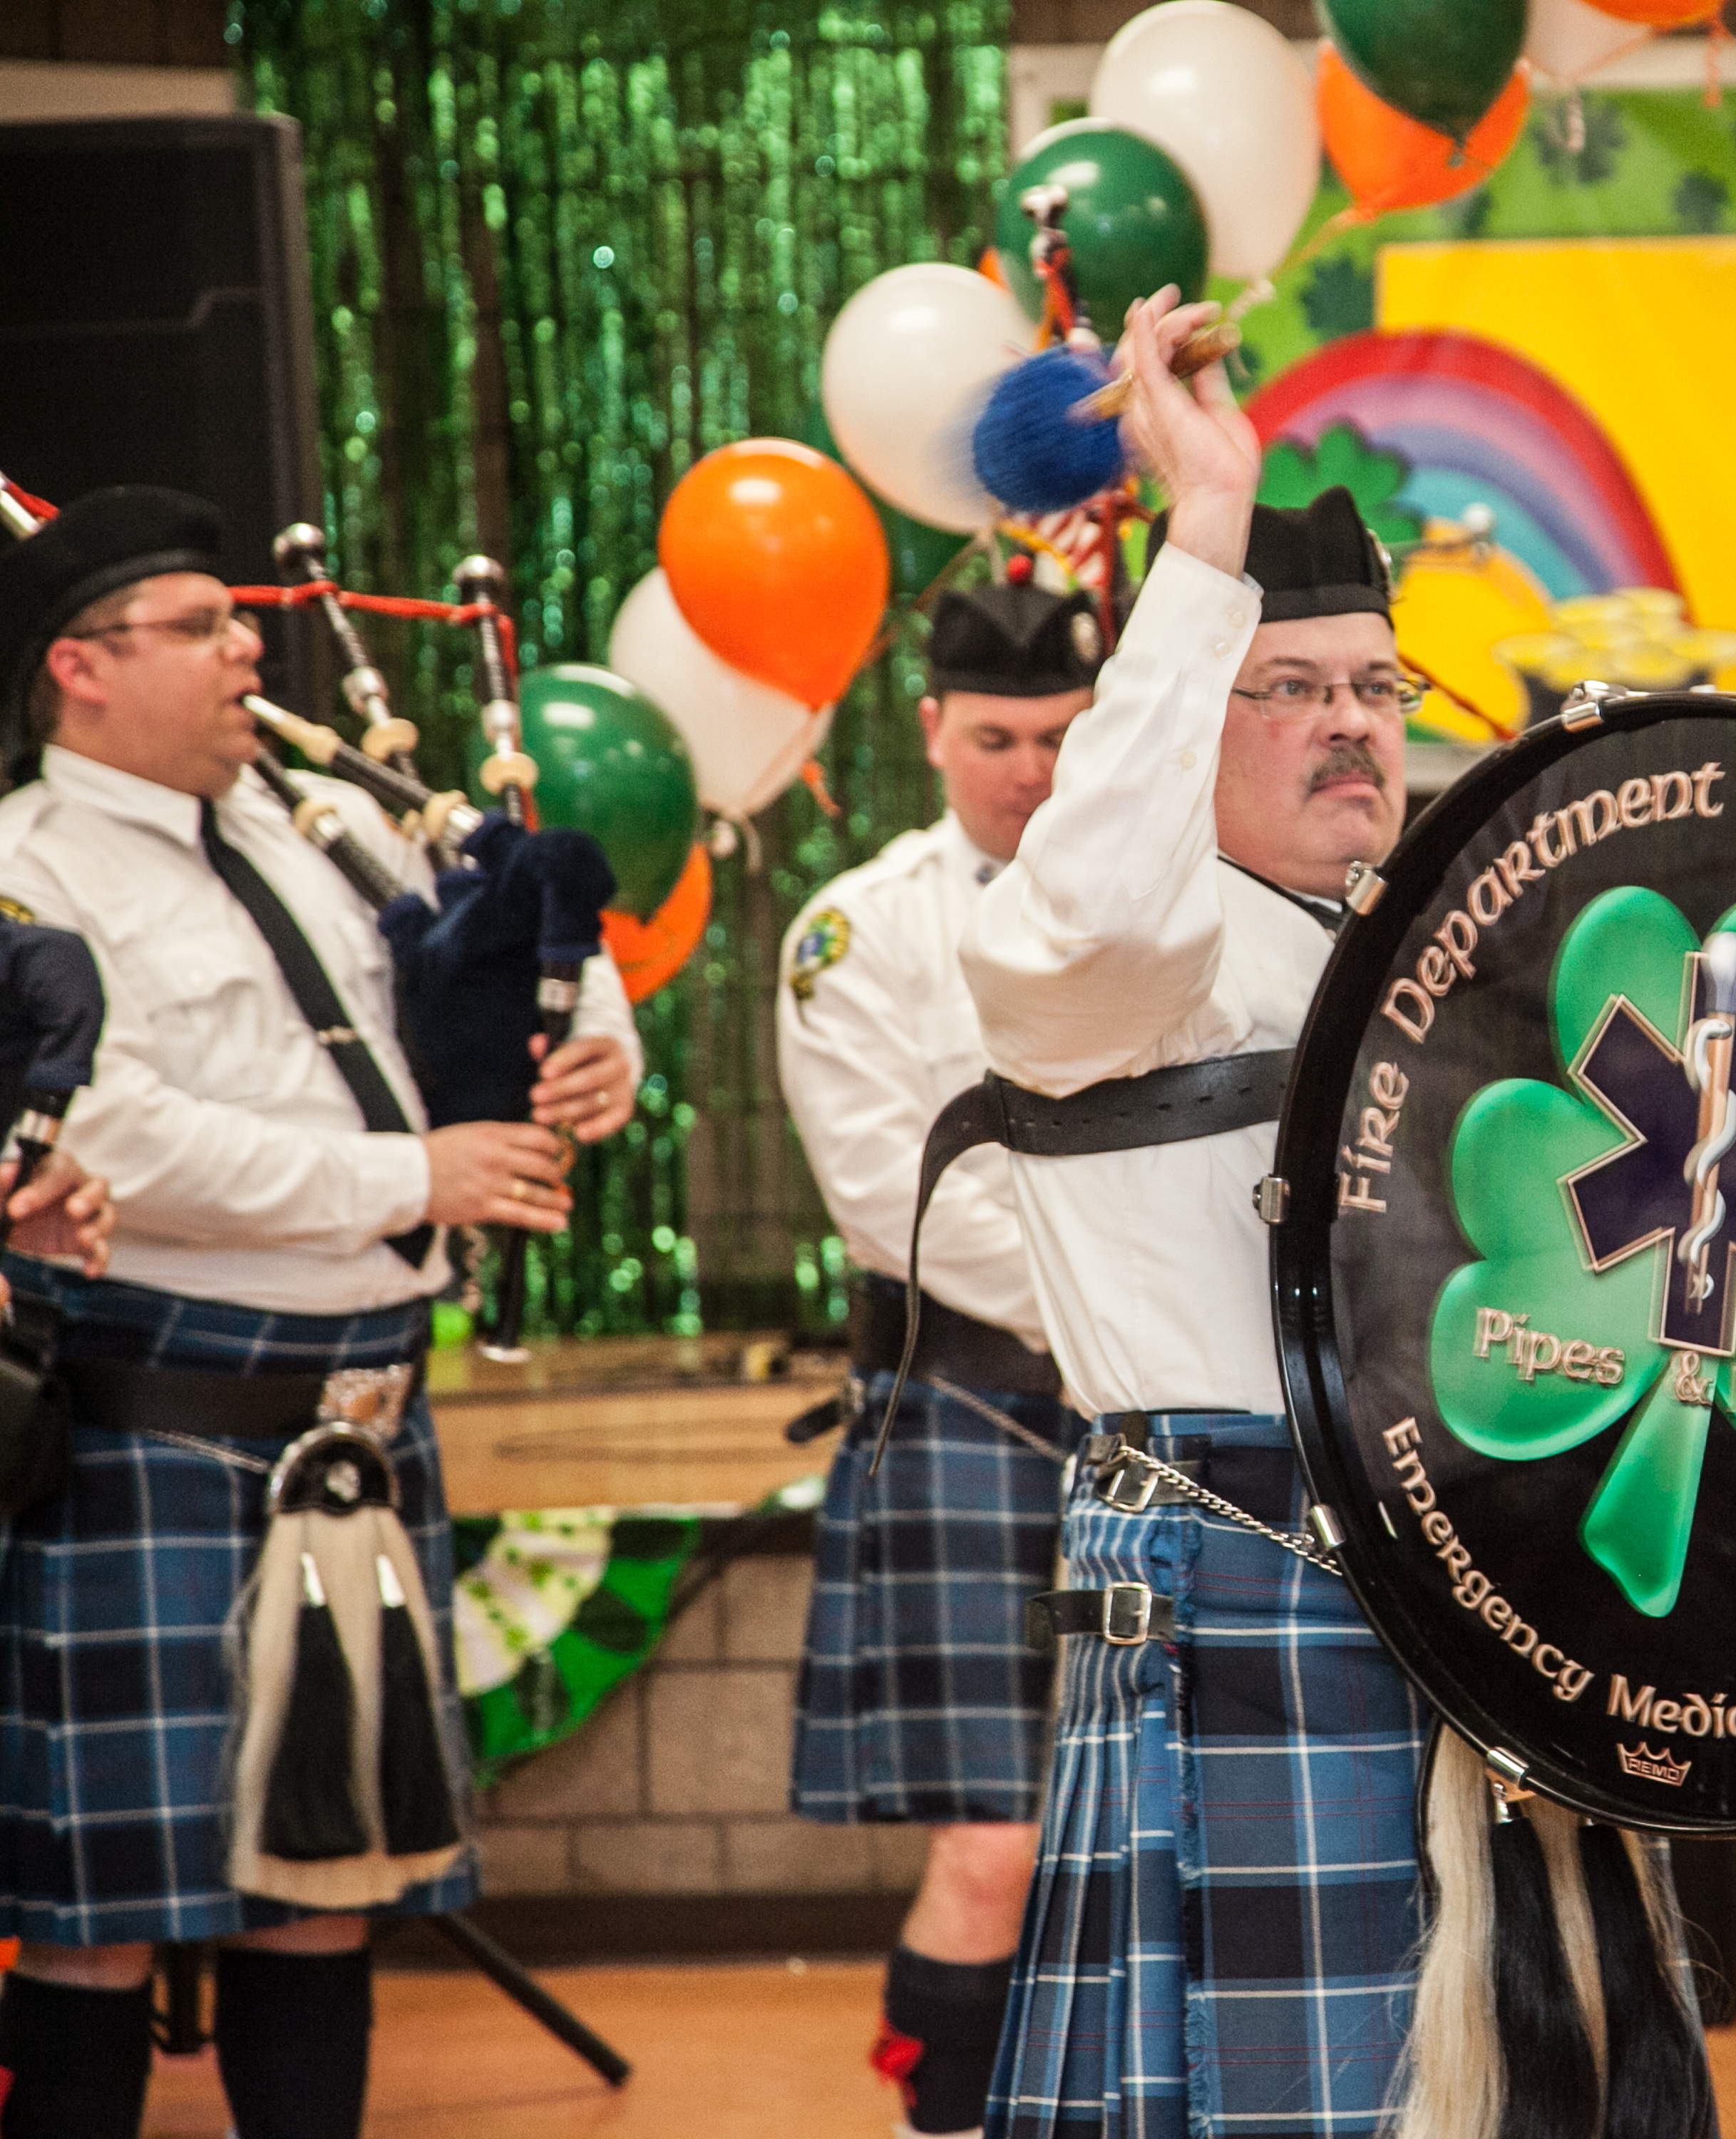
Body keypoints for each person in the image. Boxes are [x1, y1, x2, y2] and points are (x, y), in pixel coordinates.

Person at [0, 487, 642, 2139]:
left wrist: (588, 1049)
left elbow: (508, 934)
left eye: (242, 618)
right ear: (80, 665)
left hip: (360, 1434)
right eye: (204, 627)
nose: (247, 649)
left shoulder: (320, 820)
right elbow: (108, 1134)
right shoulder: (26, 871)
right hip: (155, 1426)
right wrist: (409, 1180)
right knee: (94, 1925)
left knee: (327, 1891)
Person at [953, 292, 1424, 2139]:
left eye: (1374, 689)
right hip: (1246, 1567)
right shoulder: (1114, 961)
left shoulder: (1430, 945)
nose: (1347, 729)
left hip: (1464, 1568)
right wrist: (1203, 531)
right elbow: (1089, 905)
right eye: (1290, 689)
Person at [780, 575, 1099, 2139]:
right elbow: (902, 1205)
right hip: (969, 1398)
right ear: (930, 730)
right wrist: (1137, 1302)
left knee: (1145, 1840)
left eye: (1058, 735)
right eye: (995, 738)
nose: (1030, 772)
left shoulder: (1168, 898)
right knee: (997, 1845)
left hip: (1161, 1427)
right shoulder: (858, 929)